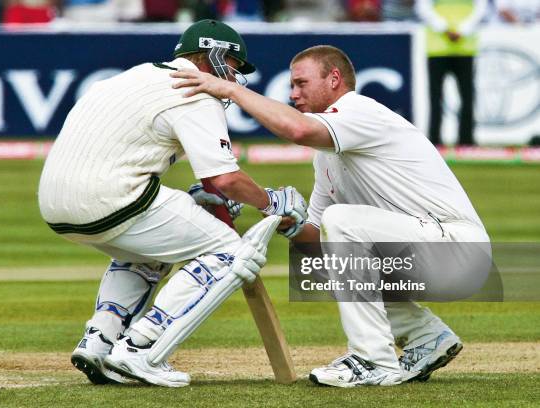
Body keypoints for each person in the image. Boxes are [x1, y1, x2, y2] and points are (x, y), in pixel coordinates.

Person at [171, 45, 491, 387]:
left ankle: (373, 359)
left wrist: (231, 88)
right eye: (291, 86)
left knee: (342, 222)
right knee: (325, 253)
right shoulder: (324, 156)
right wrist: (275, 210)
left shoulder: (360, 110)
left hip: (458, 250)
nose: (293, 94)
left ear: (334, 78)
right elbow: (316, 237)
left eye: (300, 84)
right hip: (429, 255)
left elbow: (299, 131)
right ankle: (426, 337)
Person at [37, 19, 307, 388]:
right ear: (214, 55)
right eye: (232, 66)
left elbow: (191, 174)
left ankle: (99, 340)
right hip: (112, 198)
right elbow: (224, 179)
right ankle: (140, 348)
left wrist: (205, 194)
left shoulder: (132, 76)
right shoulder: (194, 91)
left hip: (55, 205)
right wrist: (271, 202)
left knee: (149, 248)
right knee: (233, 252)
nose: (233, 77)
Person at [416, 0, 488, 145]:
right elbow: (423, 8)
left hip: (461, 49)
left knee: (466, 97)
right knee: (437, 98)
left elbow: (481, 8)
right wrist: (450, 29)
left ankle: (466, 140)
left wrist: (458, 30)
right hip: (440, 49)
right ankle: (435, 139)